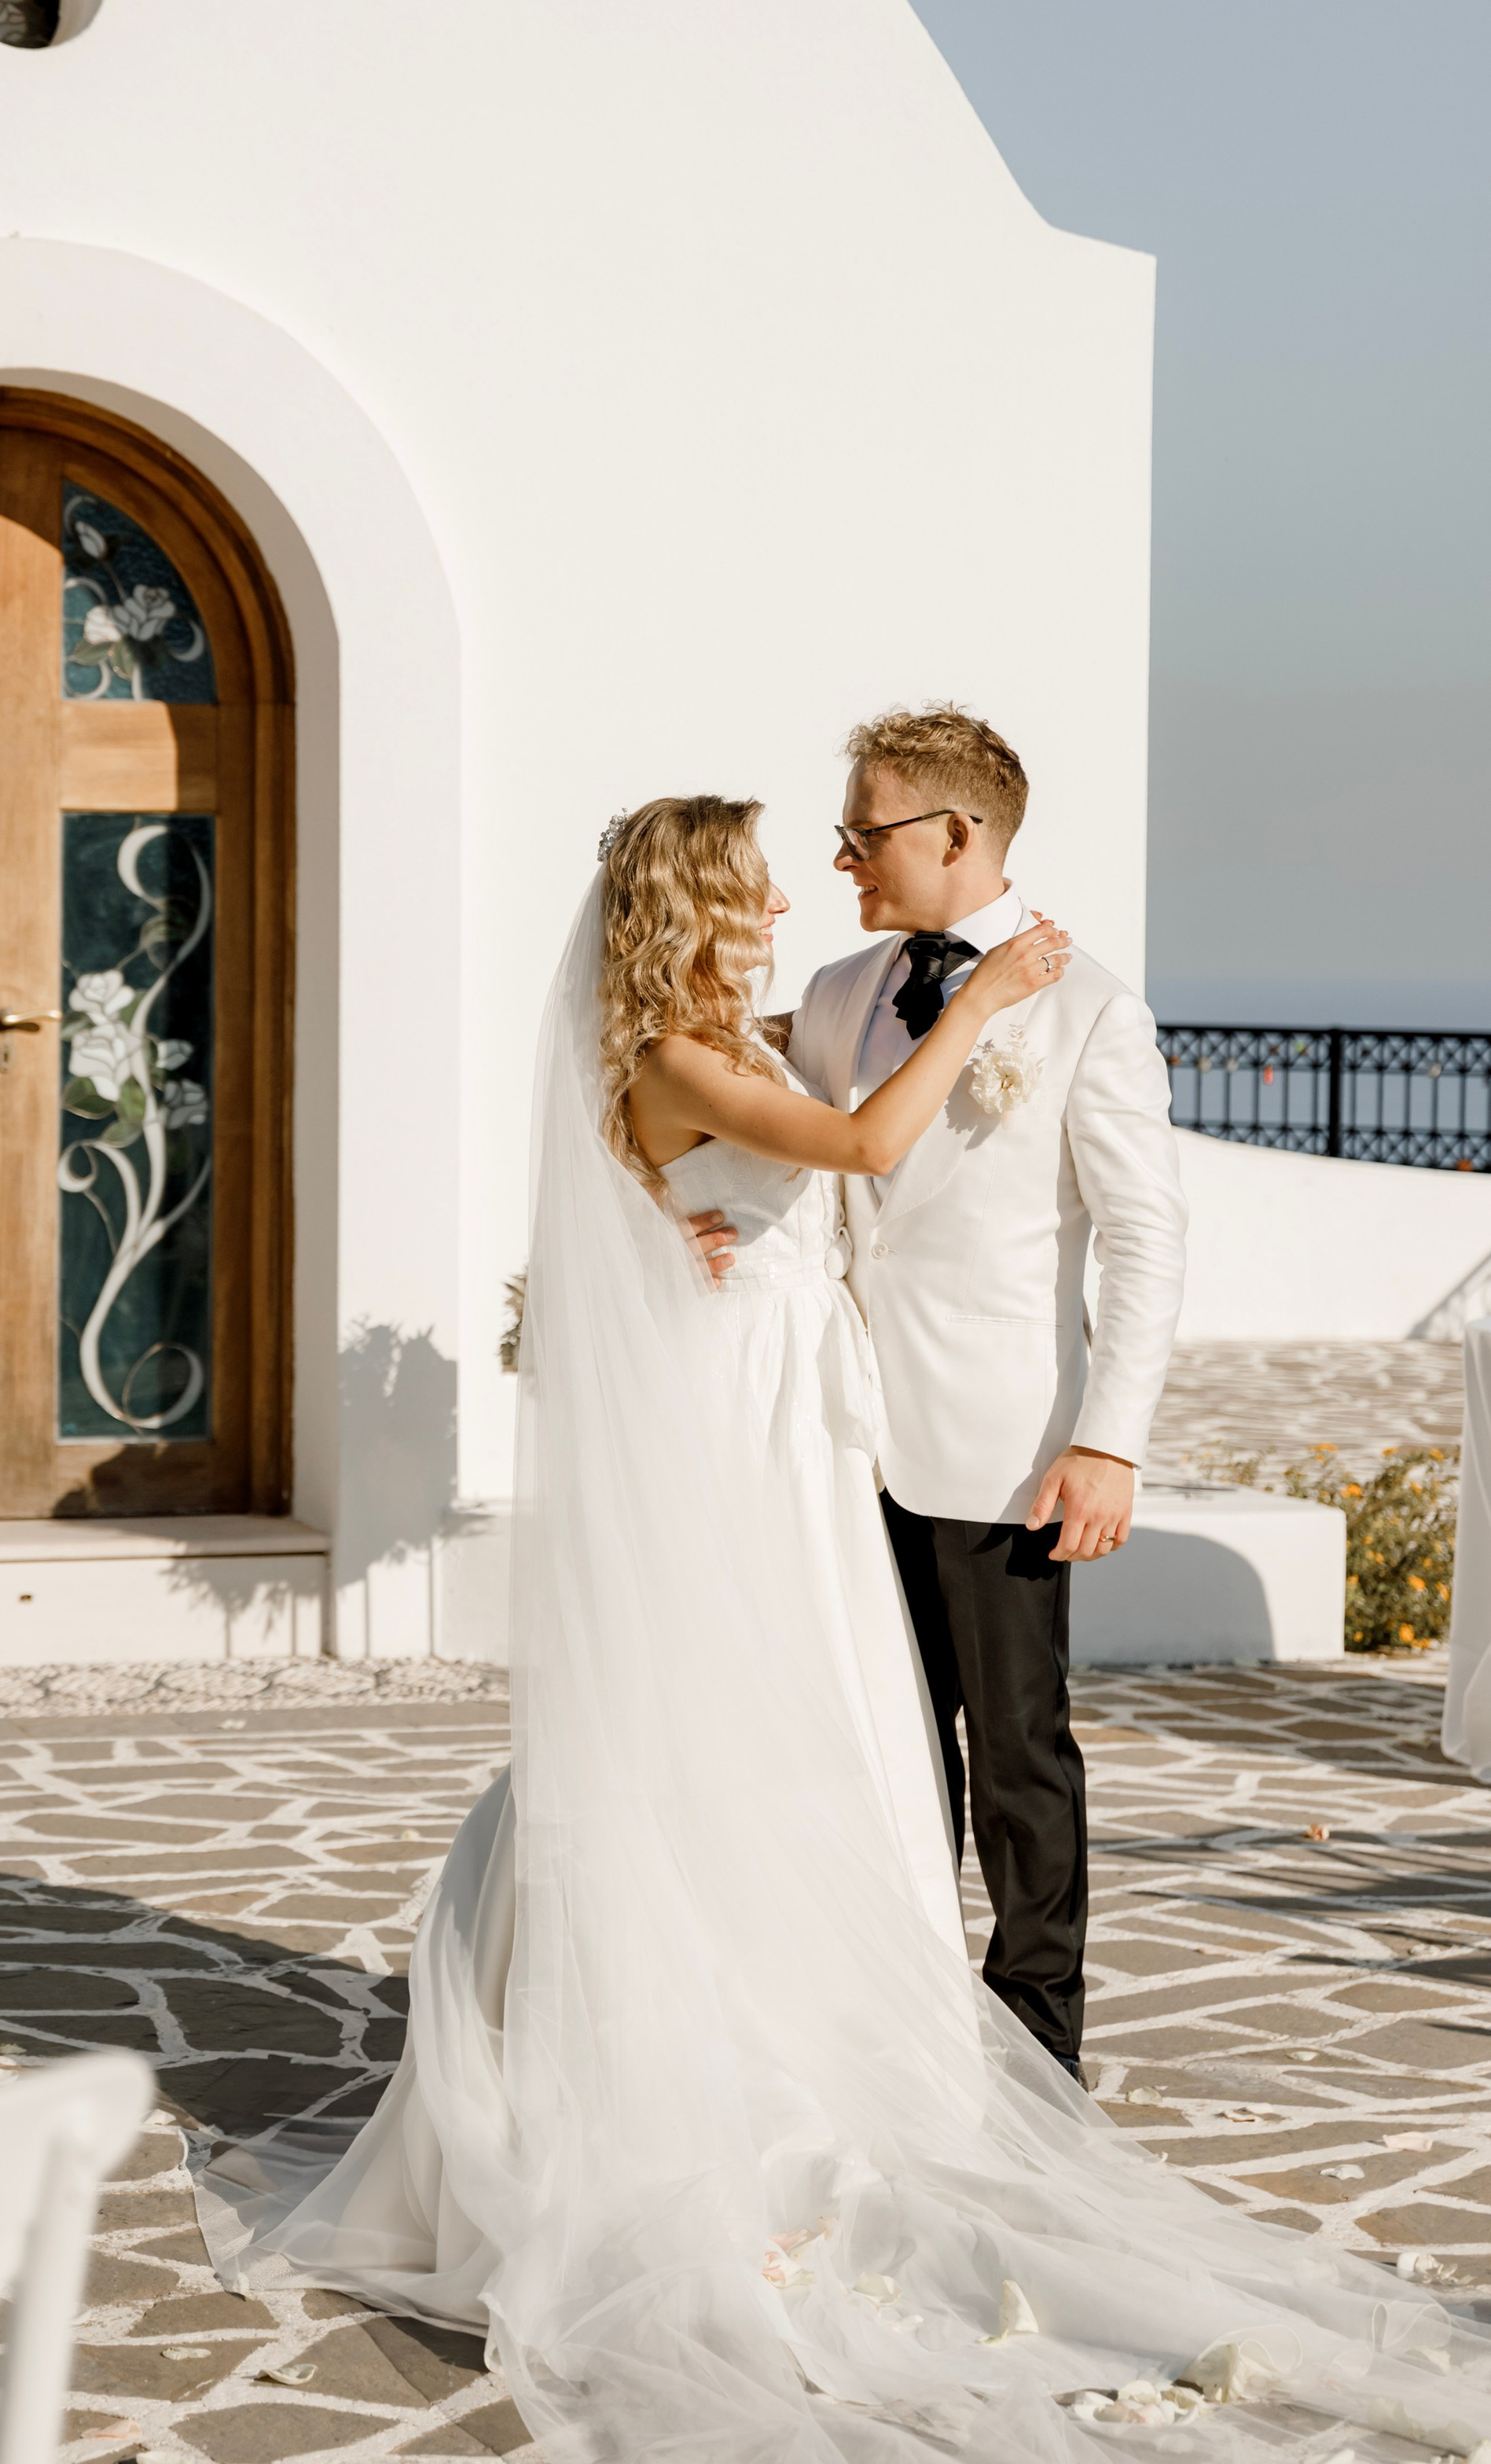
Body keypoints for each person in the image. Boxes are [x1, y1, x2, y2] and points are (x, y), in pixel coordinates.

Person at [197, 796, 1490, 2464]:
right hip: (747, 1426)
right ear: (685, 908)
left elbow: (808, 1194)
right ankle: (707, 2060)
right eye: (744, 889)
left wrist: (688, 1229)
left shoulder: (742, 1035)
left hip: (813, 1418)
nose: (778, 905)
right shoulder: (677, 1051)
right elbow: (866, 1151)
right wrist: (978, 1004)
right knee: (735, 1722)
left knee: (830, 1719)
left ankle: (869, 2033)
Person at [696, 705, 1186, 2080]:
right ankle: (889, 2024)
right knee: (878, 1749)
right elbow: (779, 1147)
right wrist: (698, 1221)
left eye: (866, 831)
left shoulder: (1090, 1008)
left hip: (1006, 1446)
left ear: (957, 833)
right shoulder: (837, 991)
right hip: (838, 1432)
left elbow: (1147, 1238)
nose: (842, 856)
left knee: (1019, 1760)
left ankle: (1037, 2054)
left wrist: (1109, 1442)